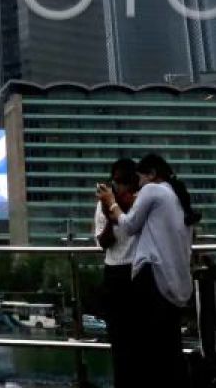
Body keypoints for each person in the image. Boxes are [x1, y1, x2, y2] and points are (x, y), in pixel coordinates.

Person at [97, 153, 200, 387]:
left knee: (148, 347)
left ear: (151, 174)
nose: (138, 185)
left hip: (152, 277)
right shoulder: (175, 196)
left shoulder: (153, 192)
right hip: (174, 280)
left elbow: (130, 224)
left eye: (139, 179)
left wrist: (111, 204)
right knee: (168, 346)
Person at [93, 158, 140, 388]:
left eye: (124, 182)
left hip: (139, 270)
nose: (120, 187)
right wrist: (111, 214)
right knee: (119, 339)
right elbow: (103, 243)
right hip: (114, 272)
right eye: (116, 182)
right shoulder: (105, 202)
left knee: (142, 338)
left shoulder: (142, 200)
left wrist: (123, 208)